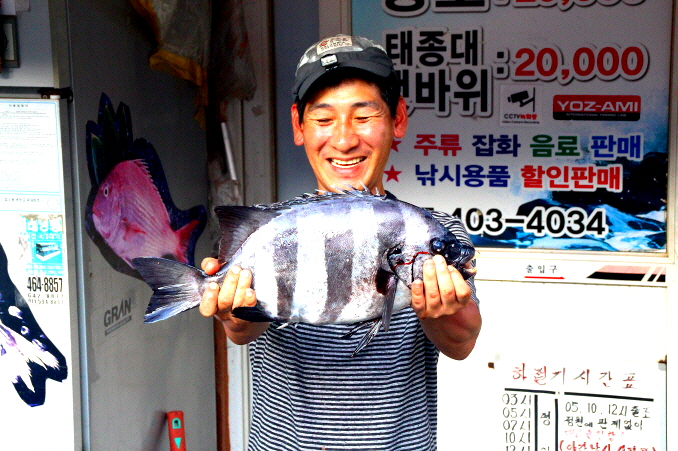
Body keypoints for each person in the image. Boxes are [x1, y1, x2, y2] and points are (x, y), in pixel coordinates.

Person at [199, 34, 482, 451]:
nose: (345, 140)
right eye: (324, 119)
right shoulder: (270, 230)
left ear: (398, 118)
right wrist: (234, 312)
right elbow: (241, 333)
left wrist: (443, 310)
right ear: (299, 126)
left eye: (363, 116)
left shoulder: (433, 231)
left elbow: (462, 342)